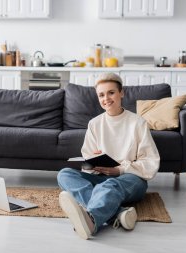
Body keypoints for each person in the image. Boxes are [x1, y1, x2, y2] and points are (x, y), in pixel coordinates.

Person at [57, 72, 160, 240]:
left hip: (130, 179)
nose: (106, 98)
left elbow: (150, 163)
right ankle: (118, 214)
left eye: (111, 92)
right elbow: (87, 156)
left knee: (110, 184)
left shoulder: (138, 123)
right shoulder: (95, 123)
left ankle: (91, 222)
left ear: (122, 92)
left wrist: (119, 170)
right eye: (101, 95)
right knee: (64, 175)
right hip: (100, 177)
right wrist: (93, 162)